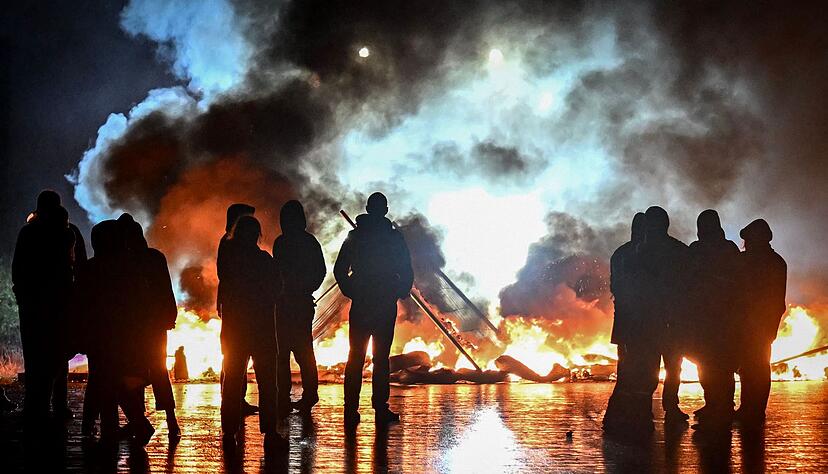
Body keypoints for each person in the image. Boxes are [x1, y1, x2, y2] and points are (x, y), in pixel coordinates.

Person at [334, 192, 414, 426]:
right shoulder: (393, 239)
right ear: (384, 210)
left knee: (357, 357)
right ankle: (379, 408)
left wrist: (352, 290)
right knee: (379, 359)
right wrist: (398, 290)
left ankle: (351, 410)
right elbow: (406, 270)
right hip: (381, 303)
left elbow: (340, 270)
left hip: (364, 303)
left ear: (368, 209)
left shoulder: (356, 236)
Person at [74, 220, 154, 445]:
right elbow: (142, 303)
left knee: (105, 379)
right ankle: (127, 426)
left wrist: (80, 334)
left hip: (100, 336)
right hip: (125, 335)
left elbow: (80, 304)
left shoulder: (90, 269)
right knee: (115, 380)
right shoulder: (131, 269)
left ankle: (122, 426)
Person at [218, 215, 287, 452]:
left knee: (233, 380)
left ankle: (229, 431)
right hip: (262, 330)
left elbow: (225, 292)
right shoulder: (264, 261)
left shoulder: (229, 264)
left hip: (234, 330)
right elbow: (277, 290)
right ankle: (270, 431)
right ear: (257, 235)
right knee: (268, 382)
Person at [12, 191, 77, 426]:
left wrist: (21, 295)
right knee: (59, 354)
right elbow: (79, 269)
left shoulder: (29, 232)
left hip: (33, 305)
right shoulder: (69, 233)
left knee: (35, 354)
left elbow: (18, 268)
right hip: (60, 304)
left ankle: (35, 405)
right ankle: (58, 405)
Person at [118, 214, 181, 440]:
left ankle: (139, 421)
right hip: (155, 326)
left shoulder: (122, 262)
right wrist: (169, 316)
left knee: (132, 372)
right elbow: (166, 289)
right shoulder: (155, 257)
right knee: (158, 370)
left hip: (133, 327)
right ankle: (171, 423)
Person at [687, 210, 741, 434]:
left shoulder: (707, 250)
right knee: (710, 366)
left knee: (716, 365)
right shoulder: (726, 249)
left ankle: (723, 407)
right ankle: (715, 405)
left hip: (716, 319)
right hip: (712, 320)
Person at [636, 206, 691, 424]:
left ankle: (644, 409)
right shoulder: (678, 250)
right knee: (671, 367)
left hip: (651, 321)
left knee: (650, 367)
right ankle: (670, 407)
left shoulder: (638, 252)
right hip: (670, 321)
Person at [272, 200, 326, 418]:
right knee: (299, 352)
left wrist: (297, 289)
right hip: (295, 302)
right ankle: (302, 395)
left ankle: (290, 396)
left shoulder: (284, 242)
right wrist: (305, 289)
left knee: (287, 352)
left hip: (290, 303)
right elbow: (319, 271)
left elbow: (318, 271)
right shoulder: (307, 242)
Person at [735, 219, 786, 426]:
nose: (745, 243)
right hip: (761, 325)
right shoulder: (776, 262)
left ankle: (751, 409)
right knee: (755, 367)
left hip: (752, 324)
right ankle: (753, 409)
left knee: (752, 367)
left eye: (748, 239)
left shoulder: (748, 261)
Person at [603, 212, 647, 434]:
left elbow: (615, 288)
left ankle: (617, 416)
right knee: (642, 372)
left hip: (624, 323)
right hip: (642, 324)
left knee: (626, 370)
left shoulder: (620, 253)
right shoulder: (643, 254)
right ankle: (637, 417)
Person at [216, 203, 259, 416]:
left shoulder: (229, 243)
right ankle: (232, 402)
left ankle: (234, 401)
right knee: (234, 357)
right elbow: (226, 276)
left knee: (233, 356)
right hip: (239, 309)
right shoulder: (230, 244)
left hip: (233, 307)